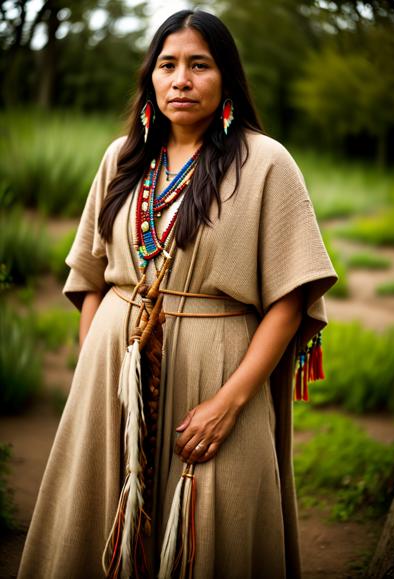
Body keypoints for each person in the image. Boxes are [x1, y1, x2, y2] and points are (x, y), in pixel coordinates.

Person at [18, 9, 337, 579]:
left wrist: (228, 404)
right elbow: (92, 276)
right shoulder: (121, 159)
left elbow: (290, 301)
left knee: (213, 535)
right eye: (167, 65)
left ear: (227, 79)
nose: (181, 80)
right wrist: (100, 369)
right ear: (151, 79)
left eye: (199, 65)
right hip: (111, 379)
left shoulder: (266, 162)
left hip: (217, 373)